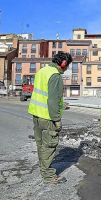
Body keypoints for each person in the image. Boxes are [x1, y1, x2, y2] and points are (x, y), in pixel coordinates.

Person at [28, 52, 72, 184]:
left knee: (41, 145)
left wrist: (61, 104)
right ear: (63, 64)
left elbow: (44, 94)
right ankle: (48, 176)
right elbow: (52, 100)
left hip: (37, 114)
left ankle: (43, 170)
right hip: (48, 117)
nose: (67, 68)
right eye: (67, 65)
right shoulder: (55, 76)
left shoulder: (42, 71)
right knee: (49, 145)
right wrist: (57, 120)